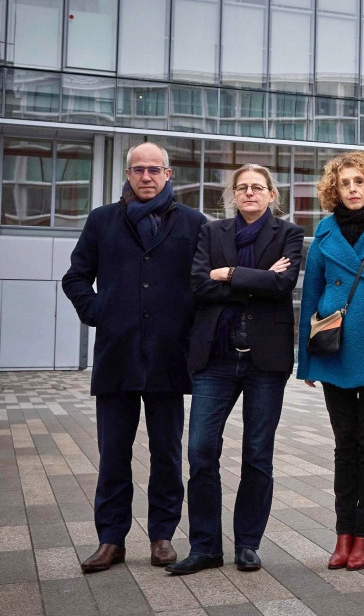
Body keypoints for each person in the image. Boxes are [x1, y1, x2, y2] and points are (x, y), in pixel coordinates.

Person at [62, 142, 208, 573]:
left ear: (168, 174)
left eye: (154, 169)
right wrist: (98, 313)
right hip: (117, 356)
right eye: (138, 169)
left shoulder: (193, 223)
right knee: (112, 454)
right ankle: (111, 540)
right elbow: (75, 277)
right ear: (128, 174)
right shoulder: (103, 220)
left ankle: (162, 536)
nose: (146, 176)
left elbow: (203, 286)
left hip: (168, 358)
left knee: (166, 453)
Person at [166, 164, 304, 575]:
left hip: (266, 360)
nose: (249, 193)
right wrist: (257, 279)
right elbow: (198, 285)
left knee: (258, 455)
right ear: (232, 193)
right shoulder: (212, 232)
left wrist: (227, 274)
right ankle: (205, 546)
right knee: (200, 450)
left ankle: (247, 544)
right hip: (216, 357)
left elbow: (283, 285)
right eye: (242, 187)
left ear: (271, 194)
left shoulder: (289, 234)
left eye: (257, 187)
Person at [297, 152, 364, 571]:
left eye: (360, 181)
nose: (353, 189)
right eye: (345, 183)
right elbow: (310, 294)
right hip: (333, 347)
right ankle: (342, 535)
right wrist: (304, 360)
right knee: (344, 445)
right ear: (334, 189)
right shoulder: (323, 232)